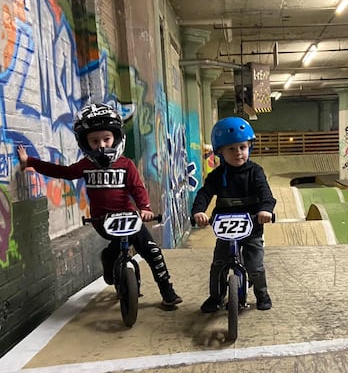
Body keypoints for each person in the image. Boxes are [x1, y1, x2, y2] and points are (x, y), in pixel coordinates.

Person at [17, 102, 182, 307]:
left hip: (129, 217)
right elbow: (63, 172)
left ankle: (167, 291)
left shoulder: (126, 165)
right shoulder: (86, 165)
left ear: (116, 138)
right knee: (120, 246)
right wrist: (30, 161)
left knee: (152, 251)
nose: (101, 145)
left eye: (106, 139)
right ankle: (110, 258)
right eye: (95, 141)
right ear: (86, 143)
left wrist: (145, 207)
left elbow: (137, 188)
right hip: (102, 220)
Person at [191, 117, 276, 312]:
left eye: (242, 147)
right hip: (225, 229)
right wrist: (198, 211)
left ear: (249, 147)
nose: (238, 152)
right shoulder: (217, 175)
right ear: (220, 151)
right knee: (218, 265)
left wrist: (265, 210)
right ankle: (216, 297)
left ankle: (262, 293)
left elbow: (265, 193)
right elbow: (204, 194)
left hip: (252, 227)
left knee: (255, 265)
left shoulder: (255, 172)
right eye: (231, 149)